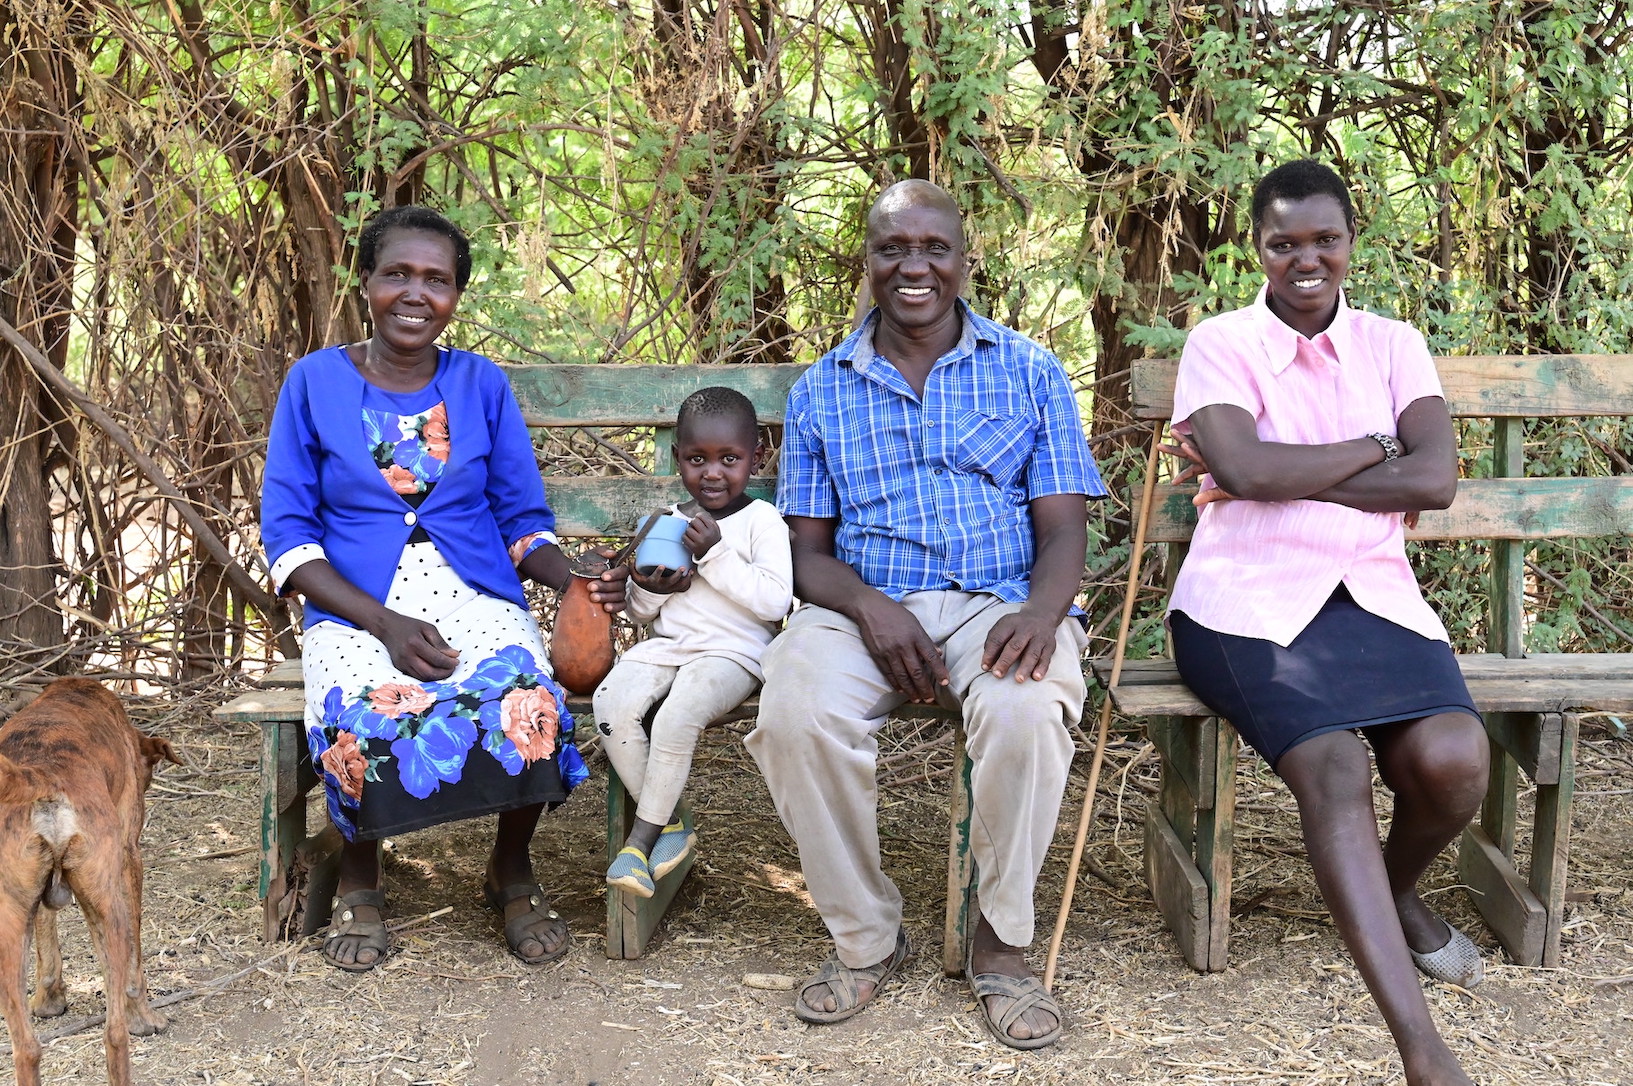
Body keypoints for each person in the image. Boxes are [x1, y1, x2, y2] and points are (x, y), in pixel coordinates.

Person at [745, 179, 1107, 1050]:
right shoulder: (822, 389)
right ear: (866, 262)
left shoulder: (1028, 368)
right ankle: (867, 939)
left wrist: (1040, 613)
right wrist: (871, 607)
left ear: (962, 260)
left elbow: (1064, 530)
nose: (913, 267)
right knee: (794, 708)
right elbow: (807, 556)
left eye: (932, 248)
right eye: (890, 249)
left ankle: (1001, 943)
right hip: (865, 609)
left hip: (1002, 603)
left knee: (1025, 707)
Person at [1163, 159, 1487, 1086]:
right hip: (1244, 604)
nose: (1304, 260)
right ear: (1257, 249)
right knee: (1336, 766)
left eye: (1323, 240)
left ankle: (1386, 892)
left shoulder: (1394, 344)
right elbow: (1255, 479)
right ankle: (1422, 1049)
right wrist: (1375, 447)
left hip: (1372, 593)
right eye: (1283, 244)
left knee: (1454, 763)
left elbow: (1433, 481)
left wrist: (1270, 466)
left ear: (1350, 242)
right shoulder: (1219, 344)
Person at [261, 205, 627, 972]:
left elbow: (522, 520)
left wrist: (574, 582)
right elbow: (289, 540)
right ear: (365, 282)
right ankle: (362, 880)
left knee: (528, 702)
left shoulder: (479, 383)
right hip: (355, 602)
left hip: (472, 593)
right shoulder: (313, 382)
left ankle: (511, 870)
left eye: (437, 279)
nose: (415, 293)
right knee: (360, 713)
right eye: (397, 273)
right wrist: (385, 625)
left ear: (457, 294)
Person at [594, 387, 793, 896]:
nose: (712, 472)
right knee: (609, 706)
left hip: (735, 653)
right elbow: (643, 614)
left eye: (730, 459)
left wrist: (715, 556)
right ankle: (672, 824)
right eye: (696, 459)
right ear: (678, 458)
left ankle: (638, 843)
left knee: (676, 716)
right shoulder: (664, 522)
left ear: (756, 458)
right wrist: (650, 589)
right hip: (669, 647)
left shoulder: (760, 521)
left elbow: (774, 604)